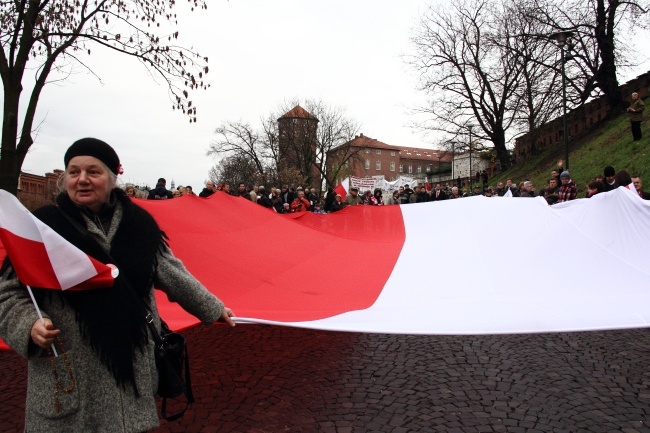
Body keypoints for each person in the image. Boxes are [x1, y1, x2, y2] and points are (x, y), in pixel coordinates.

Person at [0, 138, 235, 432]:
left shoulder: (139, 225)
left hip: (130, 377)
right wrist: (29, 324)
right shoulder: (42, 229)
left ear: (112, 178)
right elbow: (6, 293)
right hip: (69, 377)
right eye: (73, 172)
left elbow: (172, 272)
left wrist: (213, 308)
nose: (82, 179)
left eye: (93, 172)